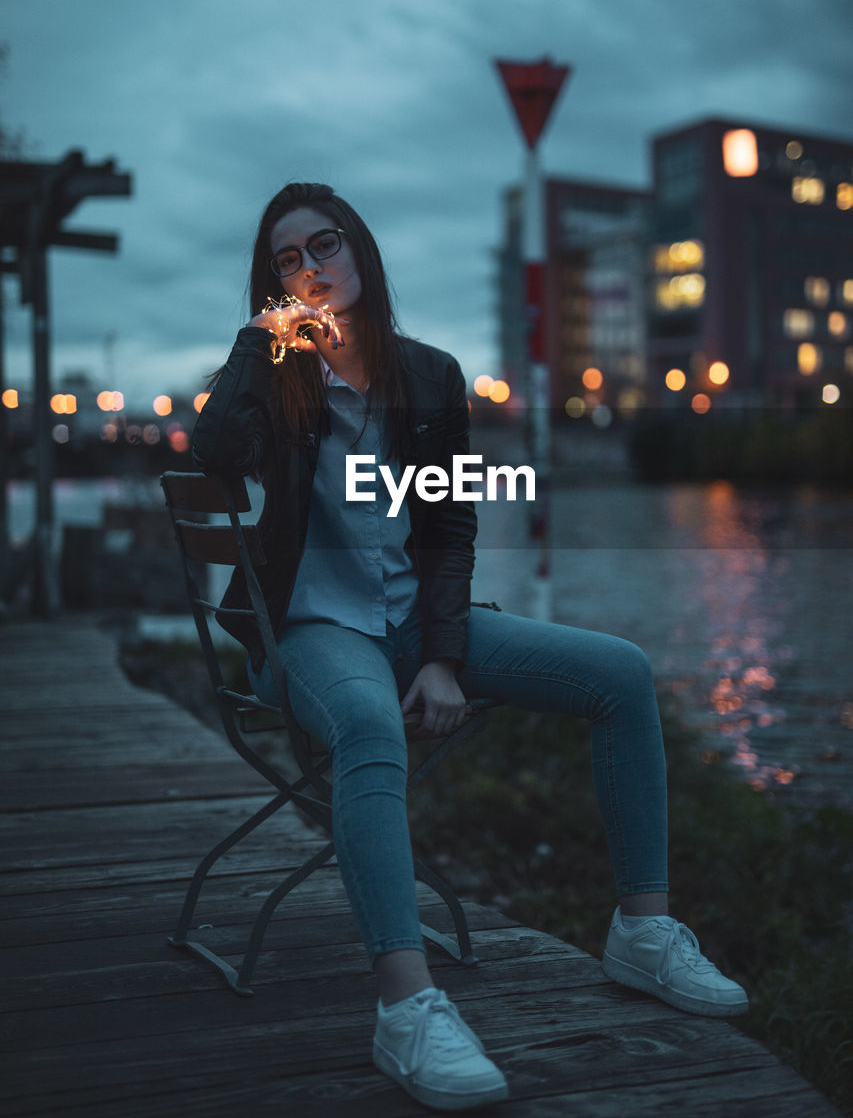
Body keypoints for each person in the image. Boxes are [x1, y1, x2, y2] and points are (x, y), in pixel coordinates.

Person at [191, 181, 748, 1112]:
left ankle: (641, 933)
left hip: (418, 625)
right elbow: (212, 457)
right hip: (310, 633)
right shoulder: (270, 386)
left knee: (622, 673)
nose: (310, 269)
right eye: (286, 260)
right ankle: (407, 1011)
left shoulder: (431, 378)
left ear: (359, 249)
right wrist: (261, 338)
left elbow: (449, 534)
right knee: (370, 728)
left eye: (322, 246)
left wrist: (443, 655)